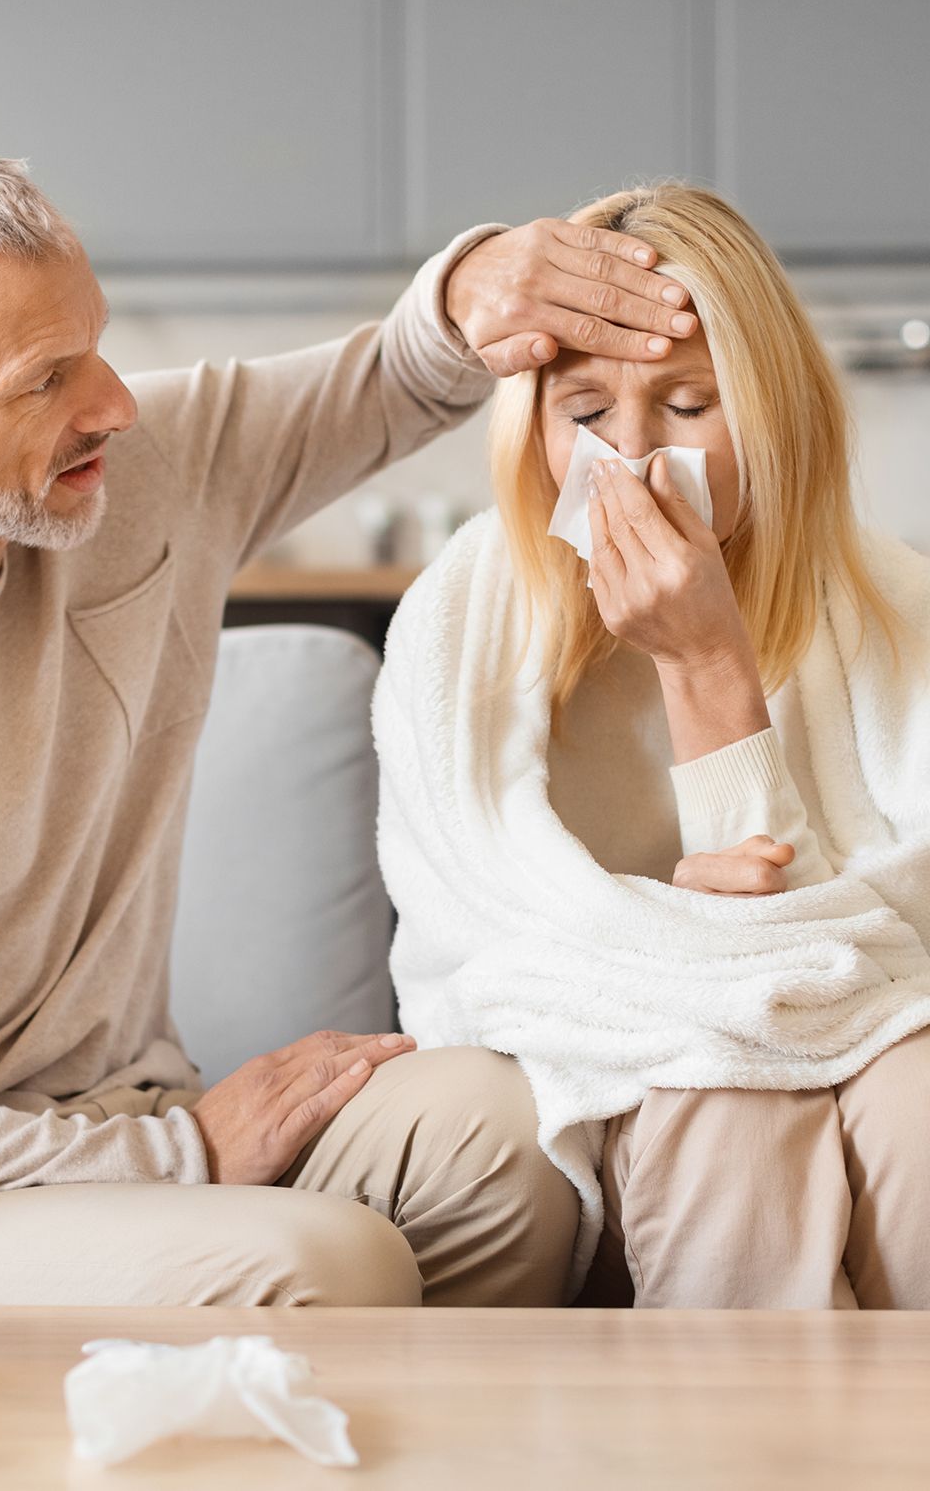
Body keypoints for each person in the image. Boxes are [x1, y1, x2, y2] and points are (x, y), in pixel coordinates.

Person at [0, 137, 698, 1308]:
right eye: (44, 380)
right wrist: (178, 1158)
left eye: (95, 345)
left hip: (128, 1129)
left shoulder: (132, 476)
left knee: (503, 1138)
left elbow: (397, 375)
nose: (113, 404)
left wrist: (470, 287)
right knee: (317, 1265)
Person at [373, 183, 930, 1309]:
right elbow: (486, 955)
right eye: (585, 414)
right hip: (596, 1046)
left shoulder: (893, 605)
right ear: (531, 425)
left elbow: (907, 940)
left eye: (688, 407)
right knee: (719, 1099)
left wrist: (708, 666)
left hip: (869, 1028)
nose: (629, 459)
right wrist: (708, 938)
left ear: (770, 417)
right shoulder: (459, 624)